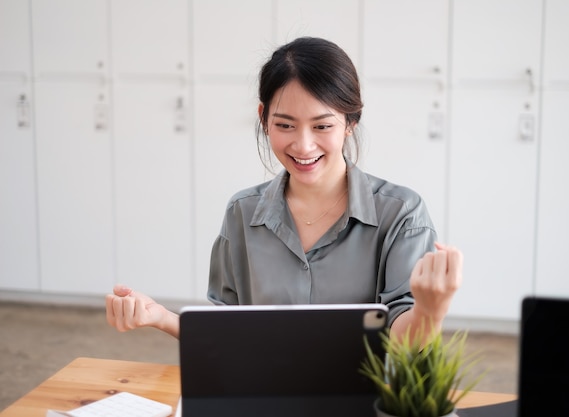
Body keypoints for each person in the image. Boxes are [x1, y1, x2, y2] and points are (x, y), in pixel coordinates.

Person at [105, 36, 462, 345]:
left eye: (322, 125)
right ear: (263, 118)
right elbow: (229, 332)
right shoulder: (242, 212)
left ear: (350, 123)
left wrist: (430, 311)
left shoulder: (402, 214)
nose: (303, 146)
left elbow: (402, 343)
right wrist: (161, 317)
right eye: (285, 125)